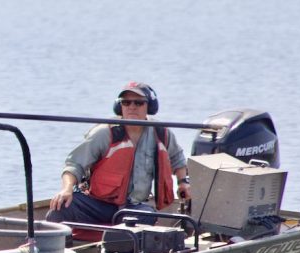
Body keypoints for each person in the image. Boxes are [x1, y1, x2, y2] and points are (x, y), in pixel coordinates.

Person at [45, 82, 192, 241]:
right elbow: (74, 165)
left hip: (134, 208)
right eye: (126, 102)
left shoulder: (162, 133)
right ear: (119, 106)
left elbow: (177, 159)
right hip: (98, 204)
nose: (132, 107)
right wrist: (66, 189)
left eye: (138, 103)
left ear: (149, 107)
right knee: (59, 208)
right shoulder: (104, 133)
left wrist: (183, 182)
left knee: (146, 217)